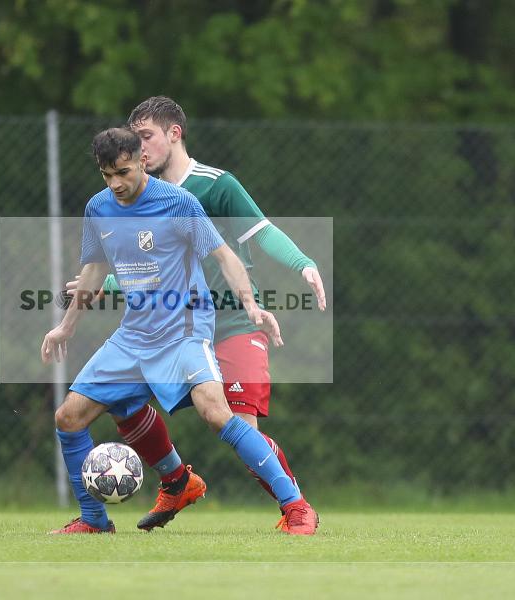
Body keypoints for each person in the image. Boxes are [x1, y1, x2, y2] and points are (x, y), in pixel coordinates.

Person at [70, 97, 325, 534]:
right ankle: (176, 482)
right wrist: (101, 288)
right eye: (135, 138)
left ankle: (296, 508)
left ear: (174, 134)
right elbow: (143, 270)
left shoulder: (215, 185)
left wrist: (303, 263)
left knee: (236, 423)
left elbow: (261, 233)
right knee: (121, 404)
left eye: (147, 136)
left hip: (231, 323)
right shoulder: (132, 196)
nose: (140, 146)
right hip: (168, 325)